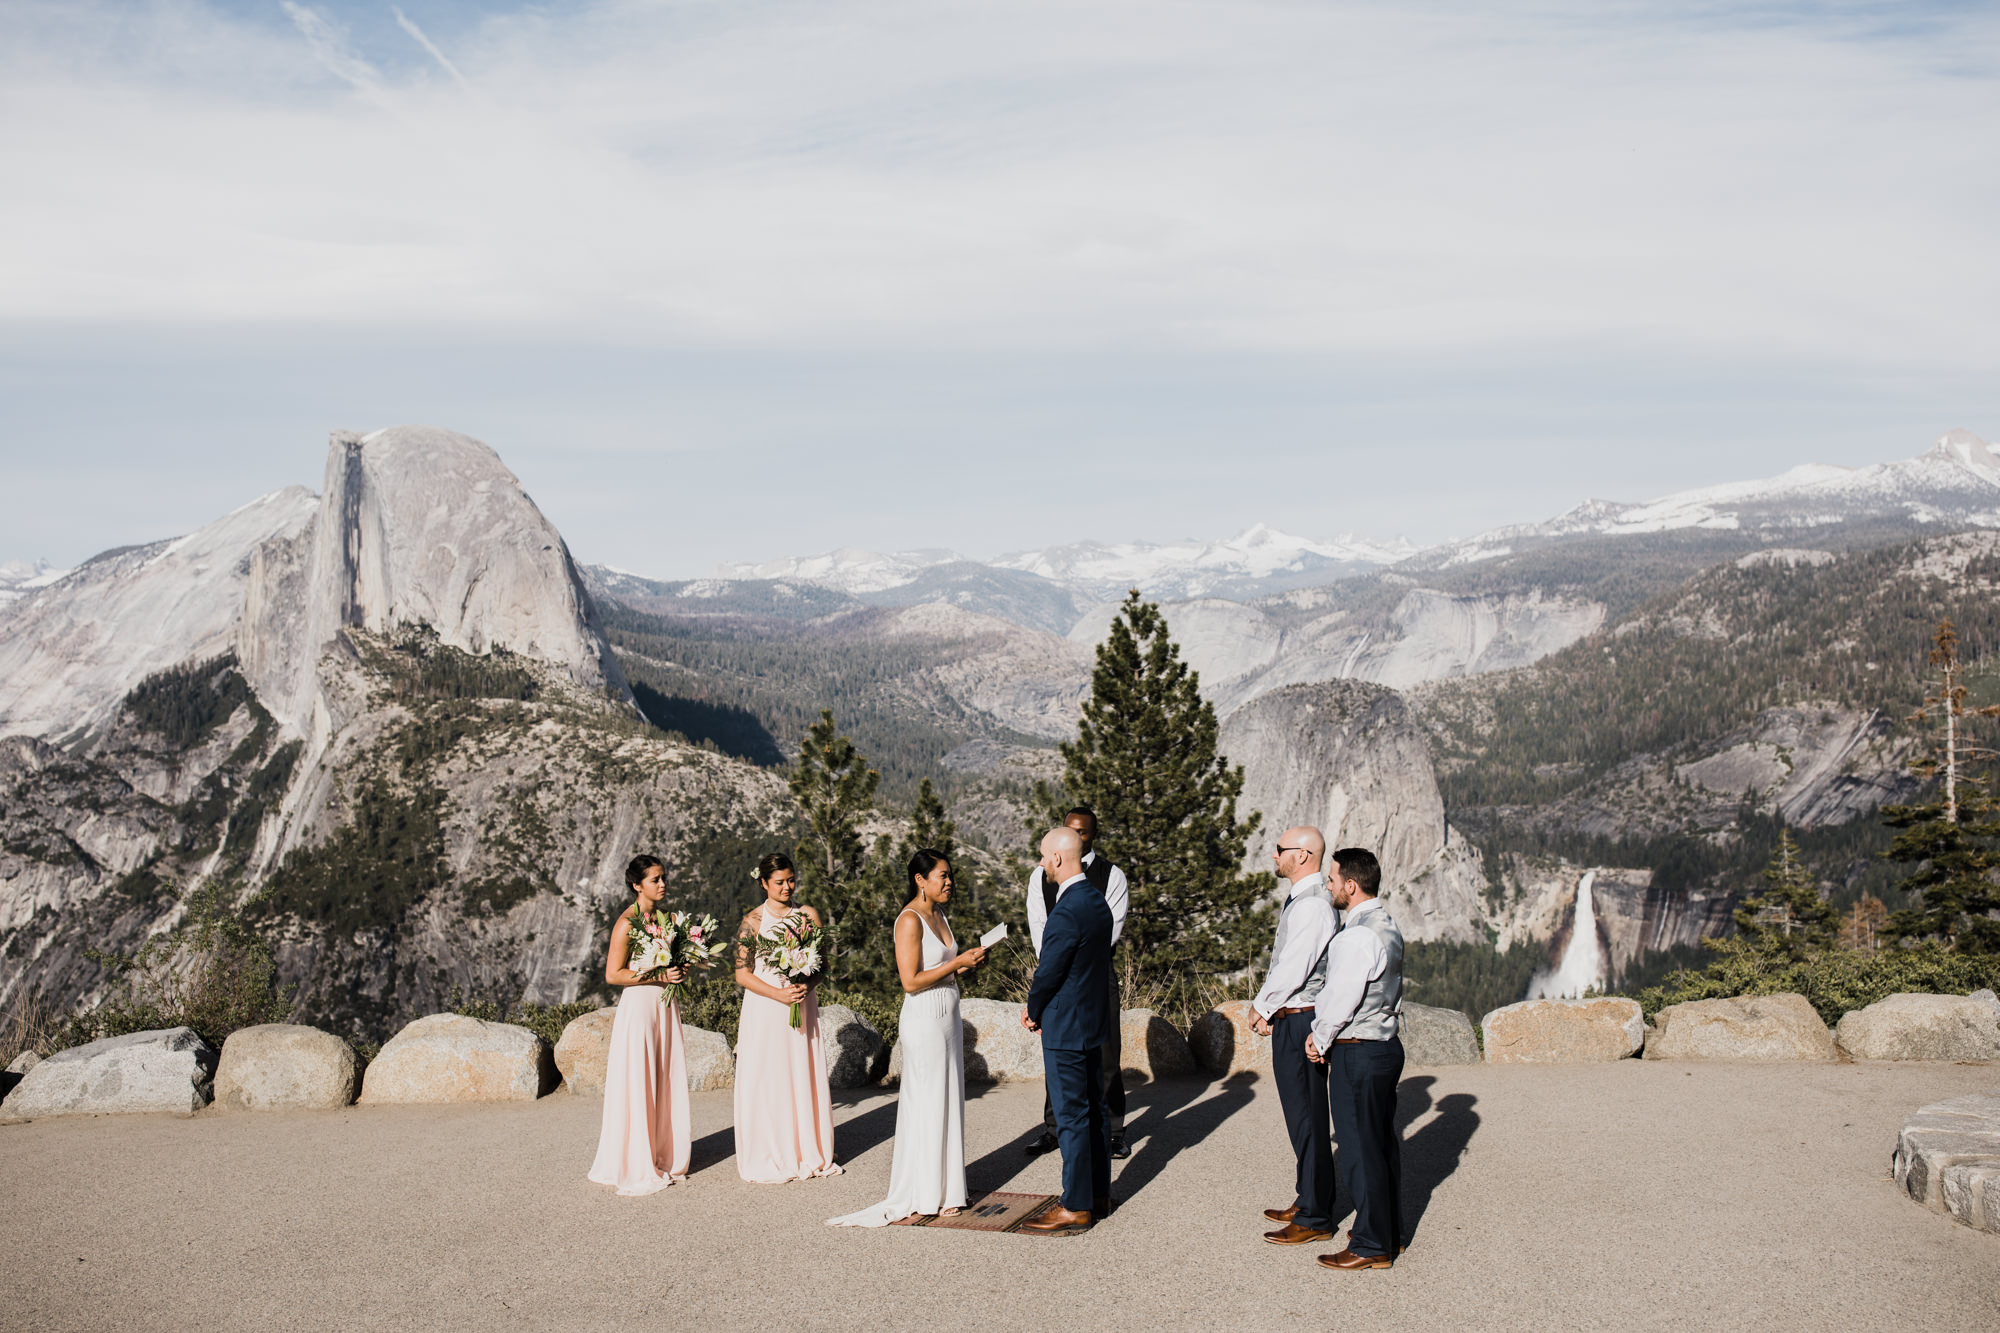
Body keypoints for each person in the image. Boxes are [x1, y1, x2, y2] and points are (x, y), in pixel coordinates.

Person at [826, 849, 988, 1227]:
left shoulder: (940, 913)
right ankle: (926, 1191)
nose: (949, 882)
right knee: (929, 1100)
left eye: (950, 876)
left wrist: (966, 964)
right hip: (924, 1018)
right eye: (942, 876)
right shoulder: (910, 920)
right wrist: (956, 963)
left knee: (948, 1098)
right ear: (920, 879)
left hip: (948, 1011)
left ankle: (948, 1187)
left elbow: (943, 967)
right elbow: (910, 980)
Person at [1306, 847, 1406, 1271]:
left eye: (1332, 881)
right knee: (1381, 1145)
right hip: (1385, 1047)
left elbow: (1340, 998)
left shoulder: (1356, 936)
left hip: (1357, 1050)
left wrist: (1318, 1037)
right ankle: (1388, 1232)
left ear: (1351, 885)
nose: (1328, 887)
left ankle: (1369, 1245)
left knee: (1359, 1150)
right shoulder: (1388, 925)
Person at [1017, 825, 1115, 1235]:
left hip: (1066, 1025)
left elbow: (1050, 970)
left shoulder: (1066, 909)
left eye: (1043, 856)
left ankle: (1074, 1205)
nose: (1041, 863)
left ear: (1057, 858)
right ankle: (1096, 1194)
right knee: (1096, 1110)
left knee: (1071, 1115)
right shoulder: (1096, 901)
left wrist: (1033, 1008)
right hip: (1093, 1021)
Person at [1249, 826, 1341, 1246]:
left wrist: (1263, 1004)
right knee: (1300, 1116)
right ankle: (1308, 1197)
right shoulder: (1304, 900)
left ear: (1303, 855)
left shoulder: (1313, 906)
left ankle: (1316, 1216)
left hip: (1301, 1018)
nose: (1274, 856)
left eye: (1281, 850)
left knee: (1307, 1117)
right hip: (1293, 1014)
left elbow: (1296, 965)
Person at [1024, 805, 1131, 1159]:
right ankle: (1055, 1127)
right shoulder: (1040, 877)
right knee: (1059, 1052)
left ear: (1092, 835)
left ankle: (1113, 1130)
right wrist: (1052, 964)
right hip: (1057, 971)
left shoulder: (1111, 876)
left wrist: (1070, 958)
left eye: (1083, 831)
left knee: (1106, 1053)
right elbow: (1039, 924)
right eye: (1071, 829)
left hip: (1097, 973)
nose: (1077, 835)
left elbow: (1110, 928)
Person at [733, 852, 842, 1184]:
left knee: (799, 1072)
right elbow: (741, 974)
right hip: (765, 1008)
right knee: (769, 1077)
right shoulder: (752, 921)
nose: (787, 887)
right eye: (779, 882)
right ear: (764, 883)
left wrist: (805, 986)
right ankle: (771, 1147)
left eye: (791, 880)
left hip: (800, 1002)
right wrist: (778, 993)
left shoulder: (808, 915)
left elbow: (822, 964)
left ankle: (805, 1146)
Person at [587, 854, 692, 1195]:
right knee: (640, 1078)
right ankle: (636, 1155)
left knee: (663, 1076)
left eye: (664, 878)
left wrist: (679, 968)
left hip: (664, 1004)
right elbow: (612, 974)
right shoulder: (626, 923)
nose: (662, 884)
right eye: (655, 880)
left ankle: (662, 1149)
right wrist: (659, 973)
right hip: (640, 1006)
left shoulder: (667, 919)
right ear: (637, 885)